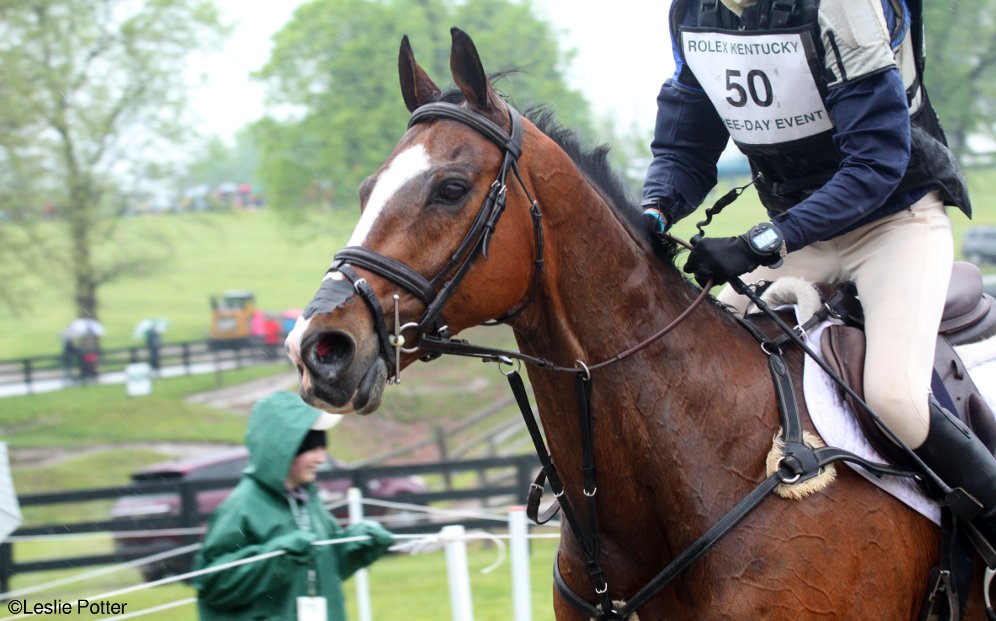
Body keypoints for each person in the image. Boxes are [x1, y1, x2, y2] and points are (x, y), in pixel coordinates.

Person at [641, 0, 996, 550]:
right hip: (799, 235)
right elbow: (685, 146)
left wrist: (762, 241)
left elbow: (876, 163)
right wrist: (654, 213)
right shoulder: (693, 13)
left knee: (894, 398)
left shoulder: (843, 7)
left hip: (893, 226)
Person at [193, 391, 395, 620]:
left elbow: (326, 569)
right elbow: (213, 585)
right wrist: (278, 557)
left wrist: (358, 546)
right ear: (283, 449)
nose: (321, 459)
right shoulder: (241, 507)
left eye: (323, 447)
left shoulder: (308, 500)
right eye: (312, 448)